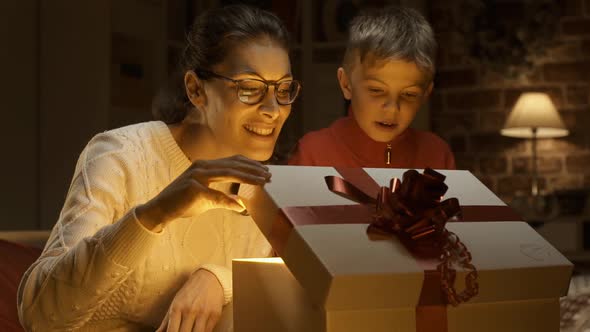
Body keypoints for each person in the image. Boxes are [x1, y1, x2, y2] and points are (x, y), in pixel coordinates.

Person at [17, 5, 300, 332]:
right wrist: (156, 214)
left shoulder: (261, 189)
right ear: (196, 89)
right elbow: (39, 315)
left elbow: (278, 289)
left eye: (283, 90)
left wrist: (219, 279)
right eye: (250, 88)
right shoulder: (120, 155)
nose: (273, 110)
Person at [289, 6, 455, 169]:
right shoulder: (312, 154)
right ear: (346, 84)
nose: (392, 110)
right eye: (376, 90)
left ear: (425, 95)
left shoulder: (436, 155)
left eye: (409, 94)